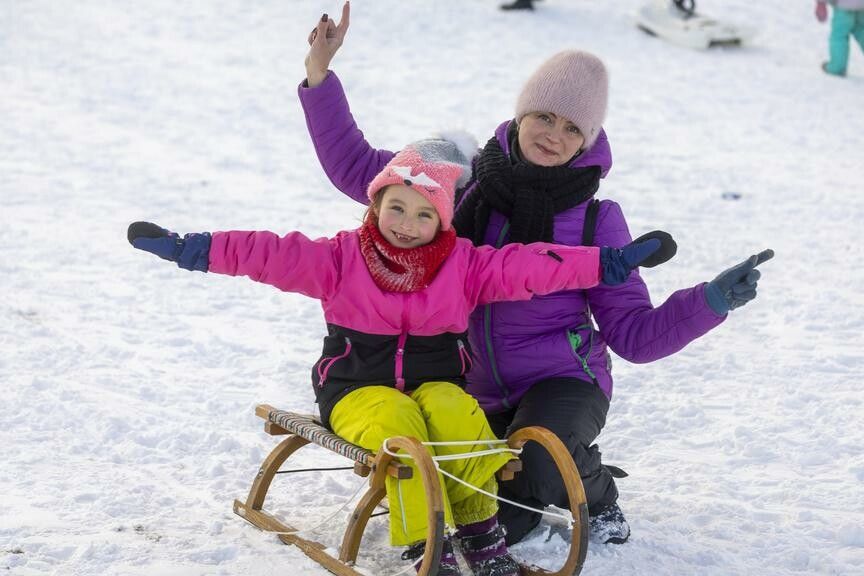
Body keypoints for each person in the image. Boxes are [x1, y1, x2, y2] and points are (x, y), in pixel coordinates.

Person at [299, 3, 774, 548]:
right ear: (521, 114)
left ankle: (594, 489)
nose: (554, 135)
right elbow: (358, 168)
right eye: (545, 116)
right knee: (481, 501)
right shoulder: (460, 184)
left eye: (572, 128)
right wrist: (319, 74)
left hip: (563, 380)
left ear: (586, 141)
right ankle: (532, 464)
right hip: (467, 384)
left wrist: (710, 302)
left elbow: (634, 336)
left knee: (533, 478)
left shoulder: (596, 220)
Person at [127, 136, 665, 574]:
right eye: (397, 208)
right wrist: (193, 249)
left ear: (443, 221)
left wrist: (607, 263)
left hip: (435, 384)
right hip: (357, 390)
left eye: (424, 214)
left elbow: (531, 265)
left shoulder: (464, 265)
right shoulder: (339, 258)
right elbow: (268, 253)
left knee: (457, 412)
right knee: (399, 424)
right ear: (376, 205)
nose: (407, 224)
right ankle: (426, 539)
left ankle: (481, 531)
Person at [815, 0, 864, 76]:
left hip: (844, 6)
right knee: (861, 31)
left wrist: (821, 3)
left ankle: (837, 67)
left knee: (839, 36)